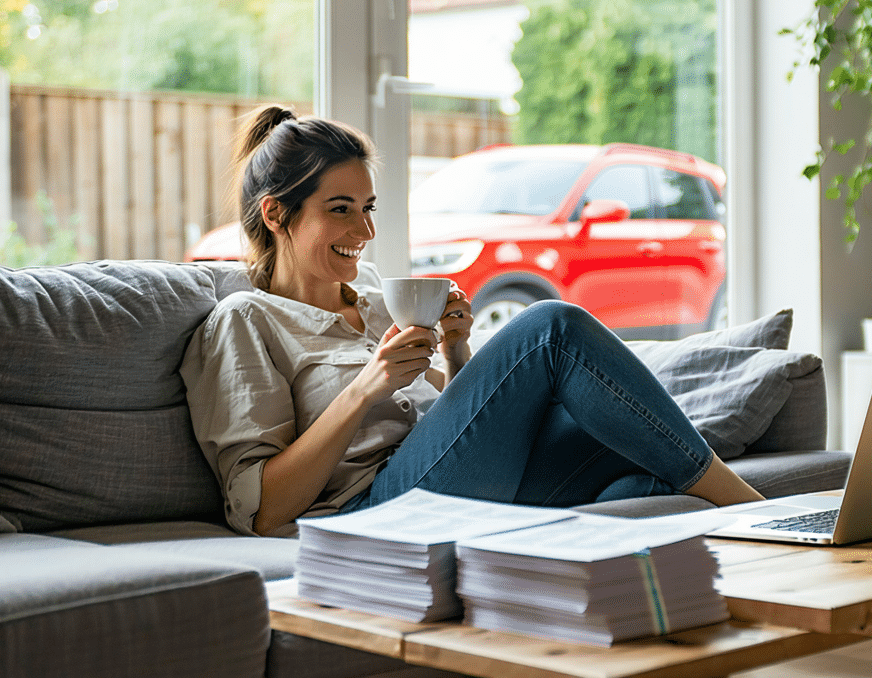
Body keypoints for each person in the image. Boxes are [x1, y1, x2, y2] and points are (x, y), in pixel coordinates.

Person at [180, 106, 763, 537]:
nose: (366, 234)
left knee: (631, 453)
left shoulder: (381, 298)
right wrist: (366, 387)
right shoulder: (245, 321)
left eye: (368, 209)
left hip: (447, 484)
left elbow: (458, 426)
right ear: (276, 213)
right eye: (340, 211)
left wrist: (458, 352)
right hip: (368, 513)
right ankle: (760, 513)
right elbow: (261, 511)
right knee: (549, 328)